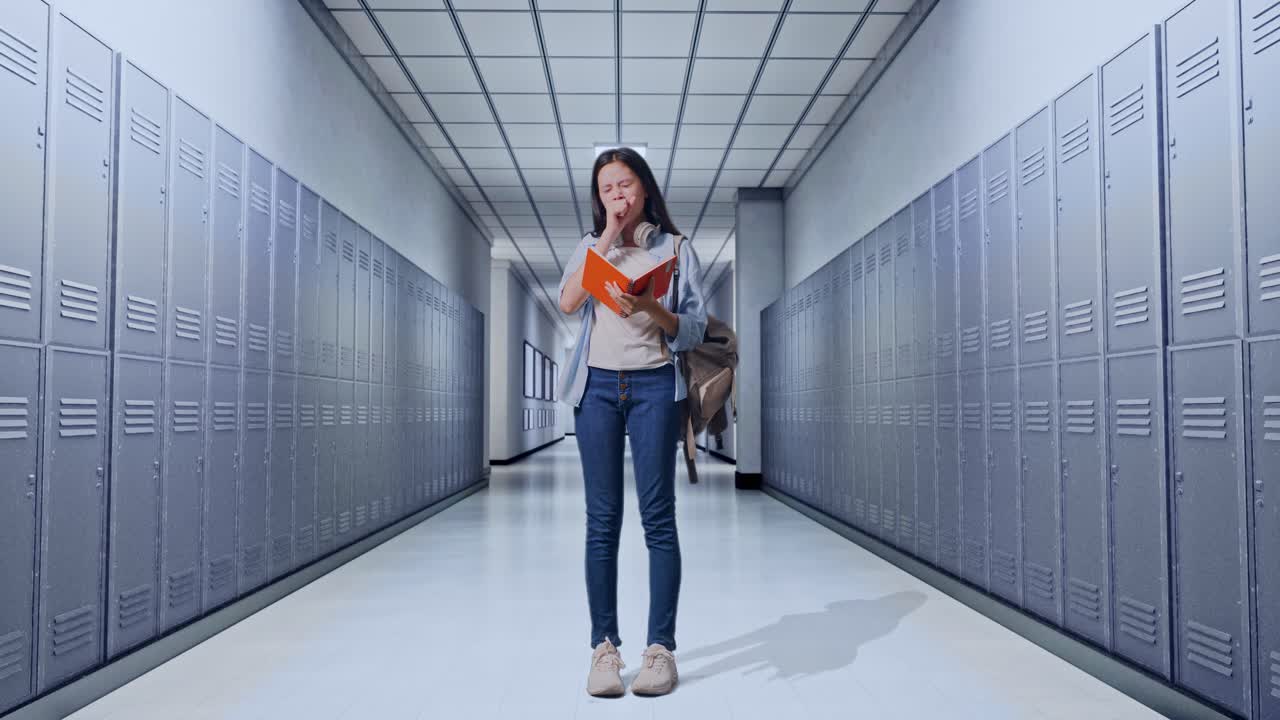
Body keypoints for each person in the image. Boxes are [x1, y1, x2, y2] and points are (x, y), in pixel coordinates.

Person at [556, 147, 708, 697]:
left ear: (644, 187)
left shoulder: (676, 249)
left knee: (658, 518)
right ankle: (604, 649)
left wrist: (651, 309)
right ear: (599, 198)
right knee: (602, 520)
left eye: (625, 184)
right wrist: (606, 239)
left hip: (653, 389)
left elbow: (694, 329)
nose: (617, 195)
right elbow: (568, 302)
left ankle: (660, 650)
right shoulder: (589, 247)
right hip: (597, 388)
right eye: (607, 189)